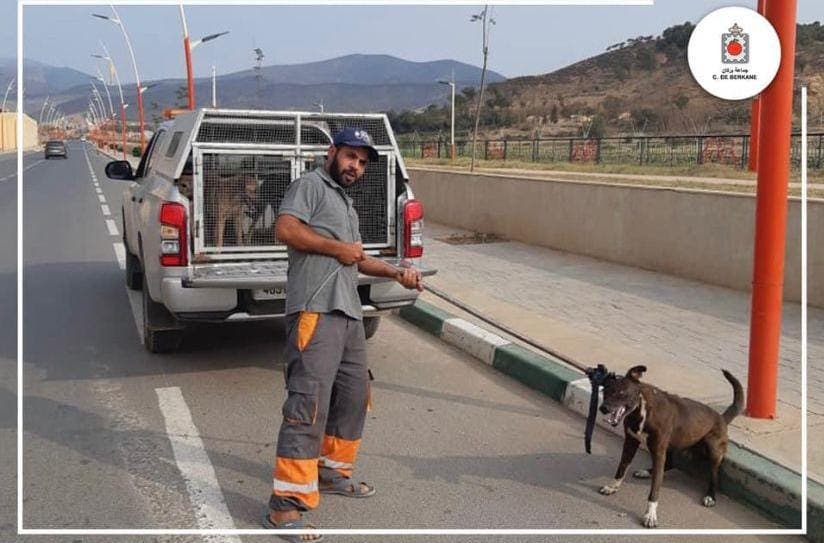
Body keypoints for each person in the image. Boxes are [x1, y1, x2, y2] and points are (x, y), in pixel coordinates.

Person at [263, 127, 423, 542]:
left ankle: (332, 471)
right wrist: (338, 249)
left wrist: (396, 273)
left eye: (364, 162)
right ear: (332, 153)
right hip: (315, 309)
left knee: (354, 396)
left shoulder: (344, 203)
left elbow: (357, 260)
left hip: (349, 312)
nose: (357, 166)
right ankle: (286, 505)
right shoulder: (310, 186)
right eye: (352, 156)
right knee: (308, 403)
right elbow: (285, 229)